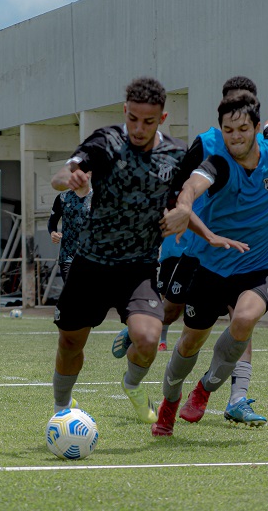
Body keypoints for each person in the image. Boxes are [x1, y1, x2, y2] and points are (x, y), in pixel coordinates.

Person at [147, 75, 268, 430]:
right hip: (211, 265)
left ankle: (209, 390)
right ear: (220, 128)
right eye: (228, 130)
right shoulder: (218, 160)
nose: (235, 137)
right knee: (189, 340)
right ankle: (170, 400)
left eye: (243, 129)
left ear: (256, 126)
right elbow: (194, 183)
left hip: (263, 264)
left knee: (244, 320)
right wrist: (182, 206)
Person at [49, 77, 188, 423]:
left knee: (147, 336)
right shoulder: (106, 141)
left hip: (137, 269)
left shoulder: (174, 156)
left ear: (163, 118)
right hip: (90, 265)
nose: (139, 128)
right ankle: (62, 410)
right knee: (69, 344)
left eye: (149, 121)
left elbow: (180, 201)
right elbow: (61, 175)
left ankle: (132, 383)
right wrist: (70, 178)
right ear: (125, 111)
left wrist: (182, 214)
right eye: (133, 119)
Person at [47, 176, 92, 282]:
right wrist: (53, 233)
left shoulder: (98, 198)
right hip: (68, 256)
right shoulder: (63, 198)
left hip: (92, 257)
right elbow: (52, 222)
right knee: (72, 295)